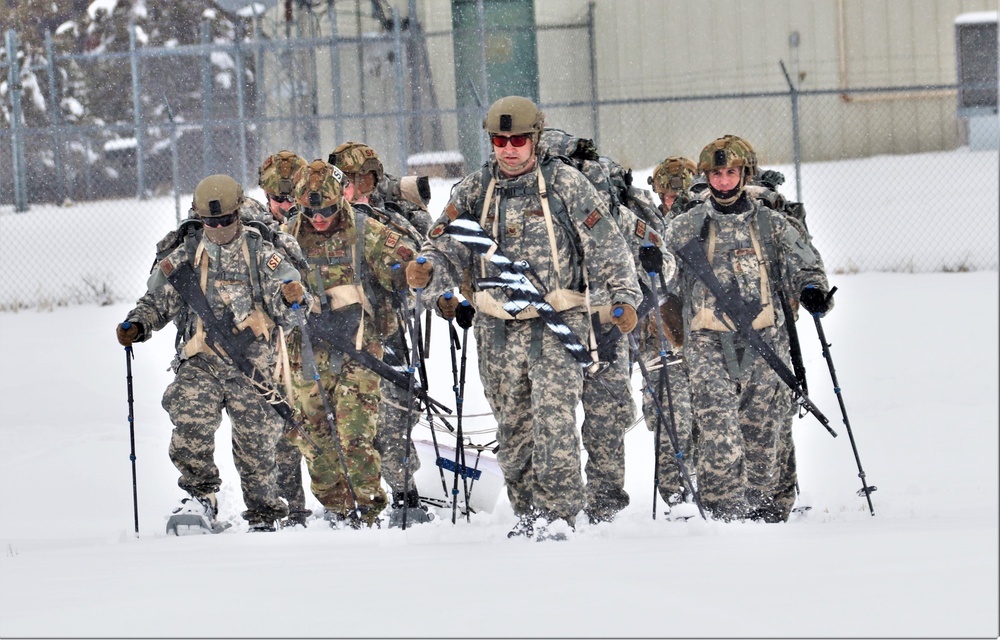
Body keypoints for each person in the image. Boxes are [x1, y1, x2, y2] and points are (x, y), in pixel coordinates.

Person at [407, 96, 642, 540]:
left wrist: (625, 299)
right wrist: (429, 270)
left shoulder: (566, 185)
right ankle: (528, 512)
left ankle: (558, 518)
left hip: (557, 324)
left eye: (517, 139)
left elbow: (607, 248)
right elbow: (444, 243)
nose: (508, 148)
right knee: (513, 432)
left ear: (534, 139)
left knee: (554, 425)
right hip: (497, 329)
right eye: (500, 140)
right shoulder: (476, 190)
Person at [116, 174, 309, 533]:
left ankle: (264, 511)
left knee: (257, 444)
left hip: (252, 367)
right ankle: (200, 495)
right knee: (189, 416)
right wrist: (138, 324)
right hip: (201, 359)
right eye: (210, 221)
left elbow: (290, 311)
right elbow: (160, 300)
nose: (218, 227)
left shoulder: (260, 253)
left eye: (225, 220)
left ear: (238, 213)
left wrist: (292, 297)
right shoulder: (187, 254)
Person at [661, 135, 832, 522]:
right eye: (716, 173)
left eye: (731, 172)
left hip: (764, 339)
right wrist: (651, 262)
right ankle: (722, 511)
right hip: (706, 340)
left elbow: (804, 264)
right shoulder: (685, 225)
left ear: (744, 174)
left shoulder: (773, 224)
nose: (723, 181)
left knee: (761, 432)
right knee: (717, 428)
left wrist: (811, 291)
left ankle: (761, 507)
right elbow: (664, 278)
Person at [538, 127, 670, 524]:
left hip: (609, 331)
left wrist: (649, 271)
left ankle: (605, 504)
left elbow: (666, 266)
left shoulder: (620, 217)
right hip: (555, 329)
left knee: (607, 421)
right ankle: (557, 503)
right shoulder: (540, 216)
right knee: (552, 419)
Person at [281, 159, 414, 528]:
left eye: (325, 210)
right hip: (307, 351)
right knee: (315, 440)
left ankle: (368, 511)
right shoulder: (287, 234)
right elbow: (266, 279)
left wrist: (409, 274)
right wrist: (285, 292)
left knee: (355, 436)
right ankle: (337, 510)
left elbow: (404, 262)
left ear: (341, 199)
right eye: (310, 211)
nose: (318, 218)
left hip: (359, 349)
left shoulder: (364, 230)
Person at [328, 142, 430, 527]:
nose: (354, 187)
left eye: (363, 178)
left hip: (388, 337)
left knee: (393, 420)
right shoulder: (319, 221)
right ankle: (349, 500)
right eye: (346, 180)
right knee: (343, 424)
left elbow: (420, 260)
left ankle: (405, 493)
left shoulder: (392, 221)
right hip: (337, 339)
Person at [257, 150, 314, 527]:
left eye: (292, 198)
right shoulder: (259, 232)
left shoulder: (319, 220)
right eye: (279, 200)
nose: (286, 206)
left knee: (322, 421)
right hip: (278, 344)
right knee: (282, 426)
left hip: (320, 339)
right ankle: (292, 507)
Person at [641, 156, 699, 512]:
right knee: (666, 419)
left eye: (676, 195)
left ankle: (705, 486)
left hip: (696, 339)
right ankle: (676, 495)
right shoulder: (646, 226)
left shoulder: (698, 224)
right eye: (663, 195)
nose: (669, 202)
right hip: (658, 342)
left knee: (701, 418)